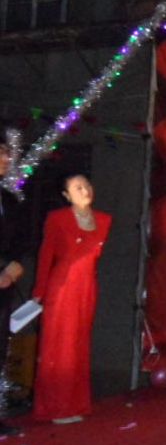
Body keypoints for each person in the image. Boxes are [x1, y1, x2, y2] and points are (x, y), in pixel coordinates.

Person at [31, 173, 112, 424]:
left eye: (87, 185)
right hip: (62, 287)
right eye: (78, 188)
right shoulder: (58, 219)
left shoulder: (104, 219)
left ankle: (76, 403)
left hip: (87, 287)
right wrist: (39, 292)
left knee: (79, 345)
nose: (85, 190)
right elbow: (46, 255)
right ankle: (56, 407)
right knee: (60, 347)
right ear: (67, 195)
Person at [0, 141, 27, 435]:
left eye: (7, 153)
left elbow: (20, 237)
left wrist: (14, 264)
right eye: (1, 153)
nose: (6, 158)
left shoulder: (8, 199)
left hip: (4, 283)